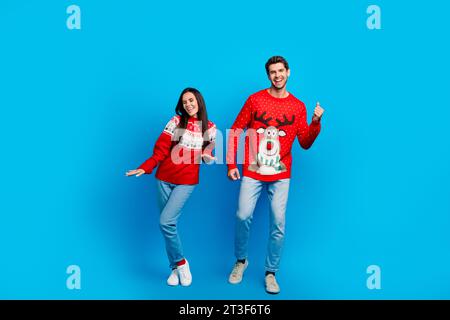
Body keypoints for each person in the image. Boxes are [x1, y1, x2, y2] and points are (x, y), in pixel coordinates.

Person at [226, 56, 324, 294]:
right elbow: (236, 130)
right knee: (242, 215)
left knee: (278, 222)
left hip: (281, 174)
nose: (277, 75)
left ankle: (271, 272)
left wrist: (315, 123)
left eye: (281, 71)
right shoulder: (255, 100)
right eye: (272, 72)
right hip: (252, 169)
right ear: (268, 75)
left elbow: (305, 143)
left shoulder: (298, 106)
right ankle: (241, 261)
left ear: (288, 72)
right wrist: (231, 164)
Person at [126, 88, 216, 287]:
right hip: (164, 179)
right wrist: (145, 167)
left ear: (199, 101)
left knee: (166, 222)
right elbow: (160, 150)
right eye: (184, 102)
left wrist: (207, 157)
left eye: (191, 100)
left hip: (186, 181)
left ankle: (182, 263)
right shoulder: (175, 122)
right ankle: (174, 268)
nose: (188, 105)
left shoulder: (210, 128)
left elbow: (208, 156)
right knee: (169, 226)